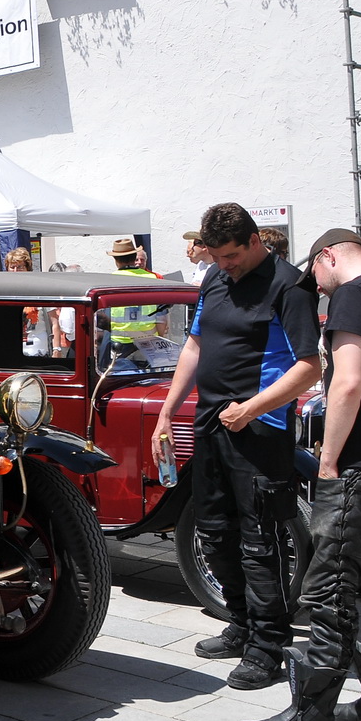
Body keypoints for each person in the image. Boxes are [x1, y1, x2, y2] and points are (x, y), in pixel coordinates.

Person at [238, 230, 361, 721]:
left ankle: (312, 719)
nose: (317, 289)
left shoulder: (354, 293)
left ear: (329, 257)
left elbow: (345, 381)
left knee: (328, 590)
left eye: (315, 278)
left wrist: (327, 459)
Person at [152, 203, 321, 690]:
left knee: (259, 540)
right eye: (215, 256)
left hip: (261, 428)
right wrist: (167, 410)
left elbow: (311, 366)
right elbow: (195, 346)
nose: (222, 264)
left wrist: (250, 408)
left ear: (253, 241)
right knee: (214, 530)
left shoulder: (289, 285)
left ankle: (269, 645)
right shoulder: (214, 279)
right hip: (210, 423)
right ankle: (242, 624)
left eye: (230, 255)